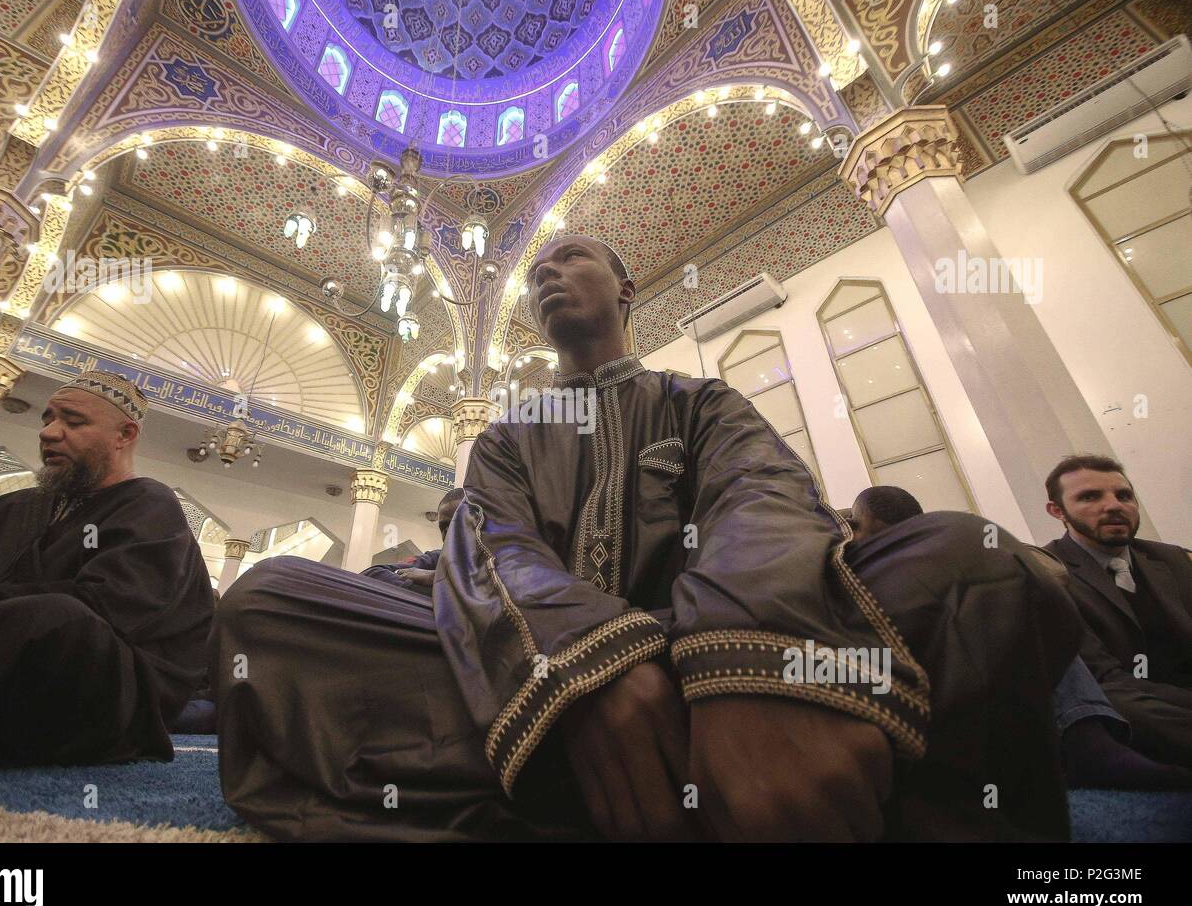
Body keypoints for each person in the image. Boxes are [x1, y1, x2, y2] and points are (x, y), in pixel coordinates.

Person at [213, 235, 1079, 841]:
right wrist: (593, 664)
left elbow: (764, 502)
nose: (549, 274)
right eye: (538, 271)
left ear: (626, 290)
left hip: (718, 655)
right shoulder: (511, 437)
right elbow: (493, 555)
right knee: (272, 600)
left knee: (981, 564)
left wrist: (748, 666)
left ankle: (640, 776)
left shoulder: (698, 402)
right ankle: (759, 789)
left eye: (572, 258)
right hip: (537, 670)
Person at [0, 371, 213, 767]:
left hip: (102, 692)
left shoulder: (149, 504)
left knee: (62, 618)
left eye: (73, 422)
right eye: (47, 419)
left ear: (124, 435)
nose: (49, 432)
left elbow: (104, 610)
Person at [852, 485, 1189, 789]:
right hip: (878, 660)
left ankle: (1089, 742)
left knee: (1007, 602)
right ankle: (1089, 748)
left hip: (957, 660)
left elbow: (1052, 575)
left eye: (903, 537)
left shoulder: (937, 548)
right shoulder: (836, 549)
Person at [1043, 455, 1192, 769]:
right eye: (1090, 497)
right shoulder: (1049, 576)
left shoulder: (1171, 559)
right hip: (1132, 707)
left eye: (1123, 495)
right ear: (1057, 511)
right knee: (1115, 702)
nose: (1113, 506)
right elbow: (1105, 680)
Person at [361, 488, 464, 596]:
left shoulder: (483, 572)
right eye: (443, 527)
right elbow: (372, 574)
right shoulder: (436, 558)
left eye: (456, 524)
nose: (448, 532)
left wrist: (437, 578)